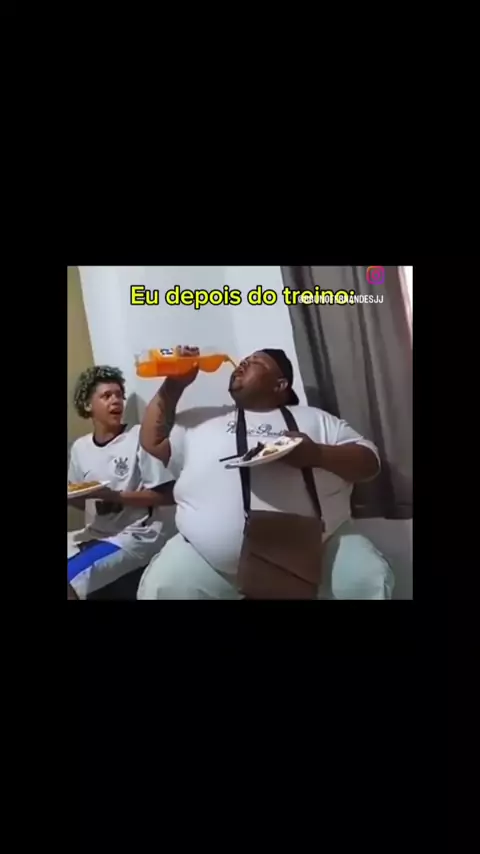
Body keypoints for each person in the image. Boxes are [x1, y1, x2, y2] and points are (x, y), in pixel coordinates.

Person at [137, 347, 394, 600]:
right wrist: (174, 385)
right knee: (163, 586)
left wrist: (317, 454)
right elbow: (153, 442)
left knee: (365, 577)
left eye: (256, 362)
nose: (243, 363)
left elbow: (369, 462)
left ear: (280, 384)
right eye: (244, 359)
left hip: (318, 553)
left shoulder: (317, 419)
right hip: (210, 563)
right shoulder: (202, 418)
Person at [67, 365, 176, 599]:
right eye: (106, 396)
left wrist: (115, 496)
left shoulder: (139, 436)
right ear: (88, 405)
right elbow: (79, 499)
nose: (116, 401)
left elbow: (167, 495)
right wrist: (77, 498)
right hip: (96, 532)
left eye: (119, 395)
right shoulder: (80, 448)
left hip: (137, 534)